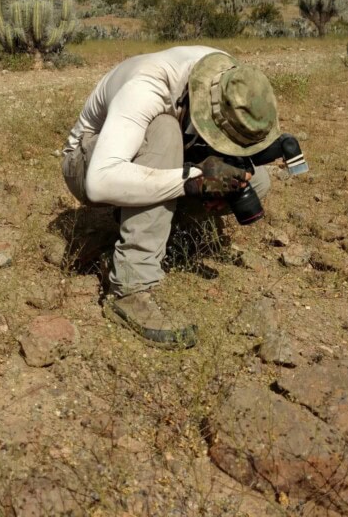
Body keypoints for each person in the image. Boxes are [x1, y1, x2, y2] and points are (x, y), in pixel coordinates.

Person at [62, 46, 280, 349]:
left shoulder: (229, 77)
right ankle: (130, 287)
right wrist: (194, 184)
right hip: (87, 164)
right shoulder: (148, 88)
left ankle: (163, 232)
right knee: (165, 129)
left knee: (256, 181)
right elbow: (100, 181)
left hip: (151, 158)